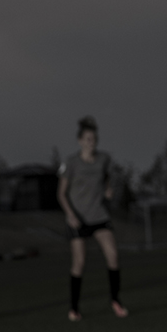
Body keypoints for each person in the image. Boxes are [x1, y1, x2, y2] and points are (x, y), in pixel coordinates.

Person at [58, 115, 128, 321]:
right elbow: (60, 194)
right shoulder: (71, 163)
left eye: (94, 139)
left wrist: (107, 190)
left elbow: (106, 177)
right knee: (79, 262)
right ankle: (74, 308)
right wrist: (70, 215)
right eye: (88, 139)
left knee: (113, 255)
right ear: (80, 141)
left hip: (98, 216)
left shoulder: (104, 159)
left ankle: (115, 300)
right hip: (77, 219)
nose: (92, 143)